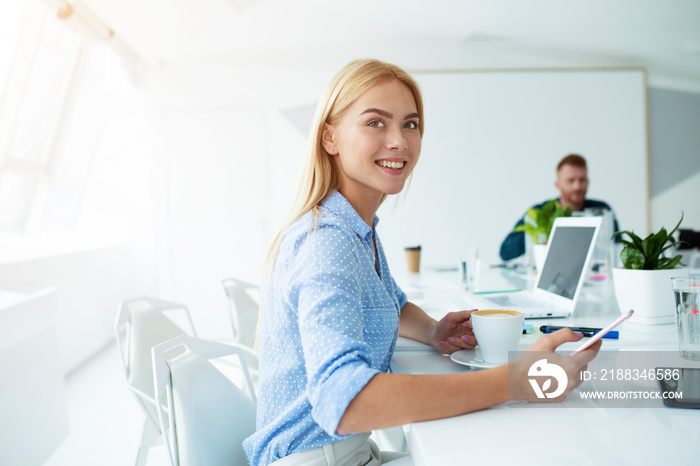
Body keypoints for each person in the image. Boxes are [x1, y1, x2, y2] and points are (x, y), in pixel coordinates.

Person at [244, 59, 600, 466]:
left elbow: (391, 303)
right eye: (376, 122)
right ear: (330, 137)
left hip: (346, 453)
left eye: (410, 124)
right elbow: (343, 402)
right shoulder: (328, 243)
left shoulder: (355, 229)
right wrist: (513, 382)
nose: (399, 141)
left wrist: (433, 330)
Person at [499, 154, 619, 262]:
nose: (577, 186)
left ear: (587, 182)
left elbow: (617, 248)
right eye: (570, 181)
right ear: (558, 184)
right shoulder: (540, 212)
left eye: (582, 180)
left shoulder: (602, 211)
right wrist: (543, 229)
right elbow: (505, 252)